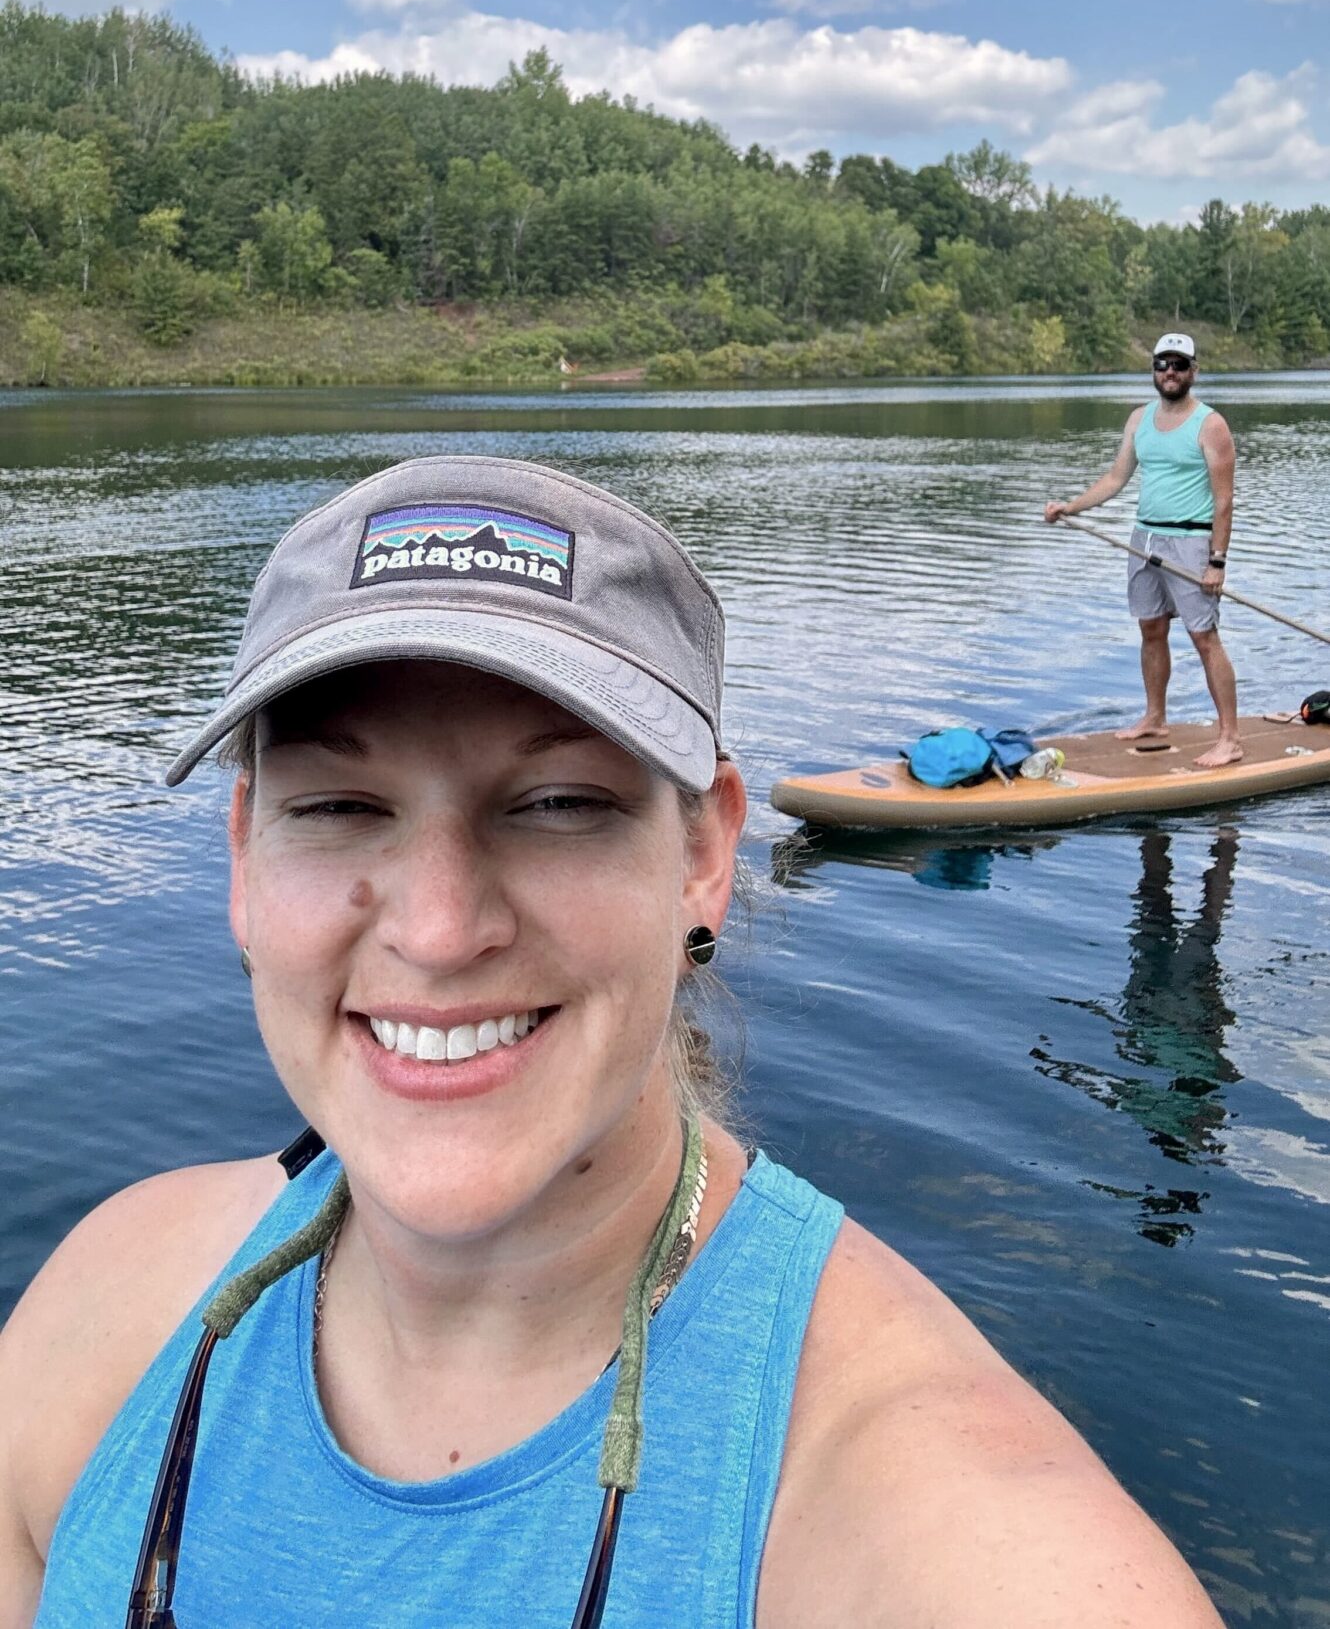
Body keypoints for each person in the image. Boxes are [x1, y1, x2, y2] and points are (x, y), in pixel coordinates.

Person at [0, 455, 1223, 1628]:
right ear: (242, 860)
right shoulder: (106, 1310)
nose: (437, 928)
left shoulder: (946, 1524)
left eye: (557, 804)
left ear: (703, 854)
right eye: (337, 806)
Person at [1045, 332, 1241, 770]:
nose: (1169, 372)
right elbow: (1115, 479)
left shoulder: (1211, 424)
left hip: (1191, 543)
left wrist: (1217, 562)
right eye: (1161, 364)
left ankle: (1230, 738)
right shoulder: (1139, 419)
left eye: (1178, 364)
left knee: (1205, 639)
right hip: (1144, 539)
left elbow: (1224, 500)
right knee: (1150, 629)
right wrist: (1069, 507)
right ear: (1153, 370)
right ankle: (1155, 717)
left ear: (1193, 371)